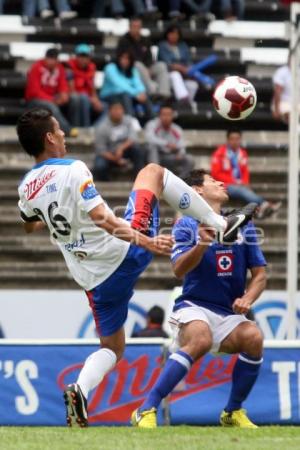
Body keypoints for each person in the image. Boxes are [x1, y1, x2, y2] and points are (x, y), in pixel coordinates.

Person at [16, 108, 254, 428]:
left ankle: (80, 390)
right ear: (49, 137)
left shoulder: (26, 187)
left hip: (92, 280)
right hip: (124, 253)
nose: (63, 135)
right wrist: (146, 242)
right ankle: (221, 223)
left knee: (112, 347)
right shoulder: (72, 169)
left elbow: (29, 225)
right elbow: (102, 218)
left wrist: (58, 219)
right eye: (58, 131)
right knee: (153, 172)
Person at [132, 169, 266, 429]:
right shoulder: (185, 225)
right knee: (201, 338)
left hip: (228, 314)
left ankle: (232, 412)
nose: (221, 182)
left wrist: (248, 298)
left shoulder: (242, 225)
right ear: (197, 192)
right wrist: (202, 243)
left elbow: (260, 276)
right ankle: (146, 408)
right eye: (212, 180)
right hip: (194, 306)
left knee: (254, 338)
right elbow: (178, 269)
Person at [211, 129, 281, 219]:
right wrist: (235, 182)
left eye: (237, 139)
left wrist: (245, 182)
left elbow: (244, 171)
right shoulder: (219, 153)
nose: (235, 141)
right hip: (225, 185)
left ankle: (260, 209)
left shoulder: (242, 153)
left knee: (244, 190)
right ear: (228, 140)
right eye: (232, 139)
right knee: (241, 190)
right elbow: (216, 174)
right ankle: (264, 204)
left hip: (239, 184)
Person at [158, 25, 217, 103]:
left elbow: (188, 61)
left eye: (176, 34)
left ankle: (185, 104)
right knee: (176, 75)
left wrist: (187, 70)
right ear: (167, 34)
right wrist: (183, 69)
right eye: (172, 33)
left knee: (193, 85)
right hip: (168, 74)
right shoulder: (162, 45)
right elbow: (168, 64)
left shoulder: (182, 45)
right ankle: (183, 98)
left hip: (185, 74)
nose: (174, 36)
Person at [25, 48, 77, 137]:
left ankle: (78, 126)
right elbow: (34, 91)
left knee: (74, 99)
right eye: (50, 59)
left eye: (54, 59)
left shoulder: (59, 68)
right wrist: (51, 99)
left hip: (53, 98)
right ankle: (67, 130)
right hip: (35, 100)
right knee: (51, 106)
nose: (51, 62)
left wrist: (64, 94)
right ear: (45, 58)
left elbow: (63, 84)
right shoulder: (36, 67)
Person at [117, 17, 171, 99]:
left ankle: (164, 93)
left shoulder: (145, 40)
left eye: (138, 27)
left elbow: (149, 56)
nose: (136, 29)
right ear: (129, 27)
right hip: (132, 68)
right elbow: (127, 58)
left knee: (161, 65)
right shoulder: (124, 40)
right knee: (138, 64)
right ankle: (152, 91)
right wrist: (145, 68)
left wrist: (148, 66)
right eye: (134, 27)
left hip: (147, 67)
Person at [93, 101, 145, 181]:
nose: (118, 112)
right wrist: (116, 159)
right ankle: (107, 185)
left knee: (138, 150)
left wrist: (121, 148)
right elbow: (101, 150)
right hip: (109, 154)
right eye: (115, 109)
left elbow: (133, 138)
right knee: (100, 166)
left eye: (120, 109)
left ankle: (139, 180)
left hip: (125, 151)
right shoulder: (101, 127)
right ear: (109, 111)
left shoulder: (129, 121)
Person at [100, 49, 153, 120]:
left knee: (145, 97)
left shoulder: (132, 70)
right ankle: (131, 122)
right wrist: (136, 94)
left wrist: (141, 93)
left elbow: (138, 83)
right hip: (109, 96)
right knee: (126, 96)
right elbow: (120, 85)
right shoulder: (110, 68)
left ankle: (152, 121)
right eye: (122, 58)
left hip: (128, 95)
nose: (124, 61)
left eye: (127, 58)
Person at [145, 103, 194, 178]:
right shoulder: (152, 124)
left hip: (170, 156)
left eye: (169, 114)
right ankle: (155, 177)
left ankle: (181, 181)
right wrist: (166, 144)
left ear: (173, 116)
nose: (166, 117)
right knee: (152, 147)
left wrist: (180, 153)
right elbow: (150, 139)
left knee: (189, 159)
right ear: (159, 115)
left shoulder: (177, 129)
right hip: (156, 156)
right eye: (164, 114)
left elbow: (182, 145)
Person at [67, 44, 103, 128]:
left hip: (87, 97)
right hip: (74, 97)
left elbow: (92, 85)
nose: (83, 59)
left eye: (85, 56)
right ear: (76, 56)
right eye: (80, 56)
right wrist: (88, 97)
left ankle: (93, 128)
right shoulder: (69, 66)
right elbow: (71, 88)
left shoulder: (92, 67)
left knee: (107, 107)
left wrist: (95, 98)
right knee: (82, 98)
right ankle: (83, 129)